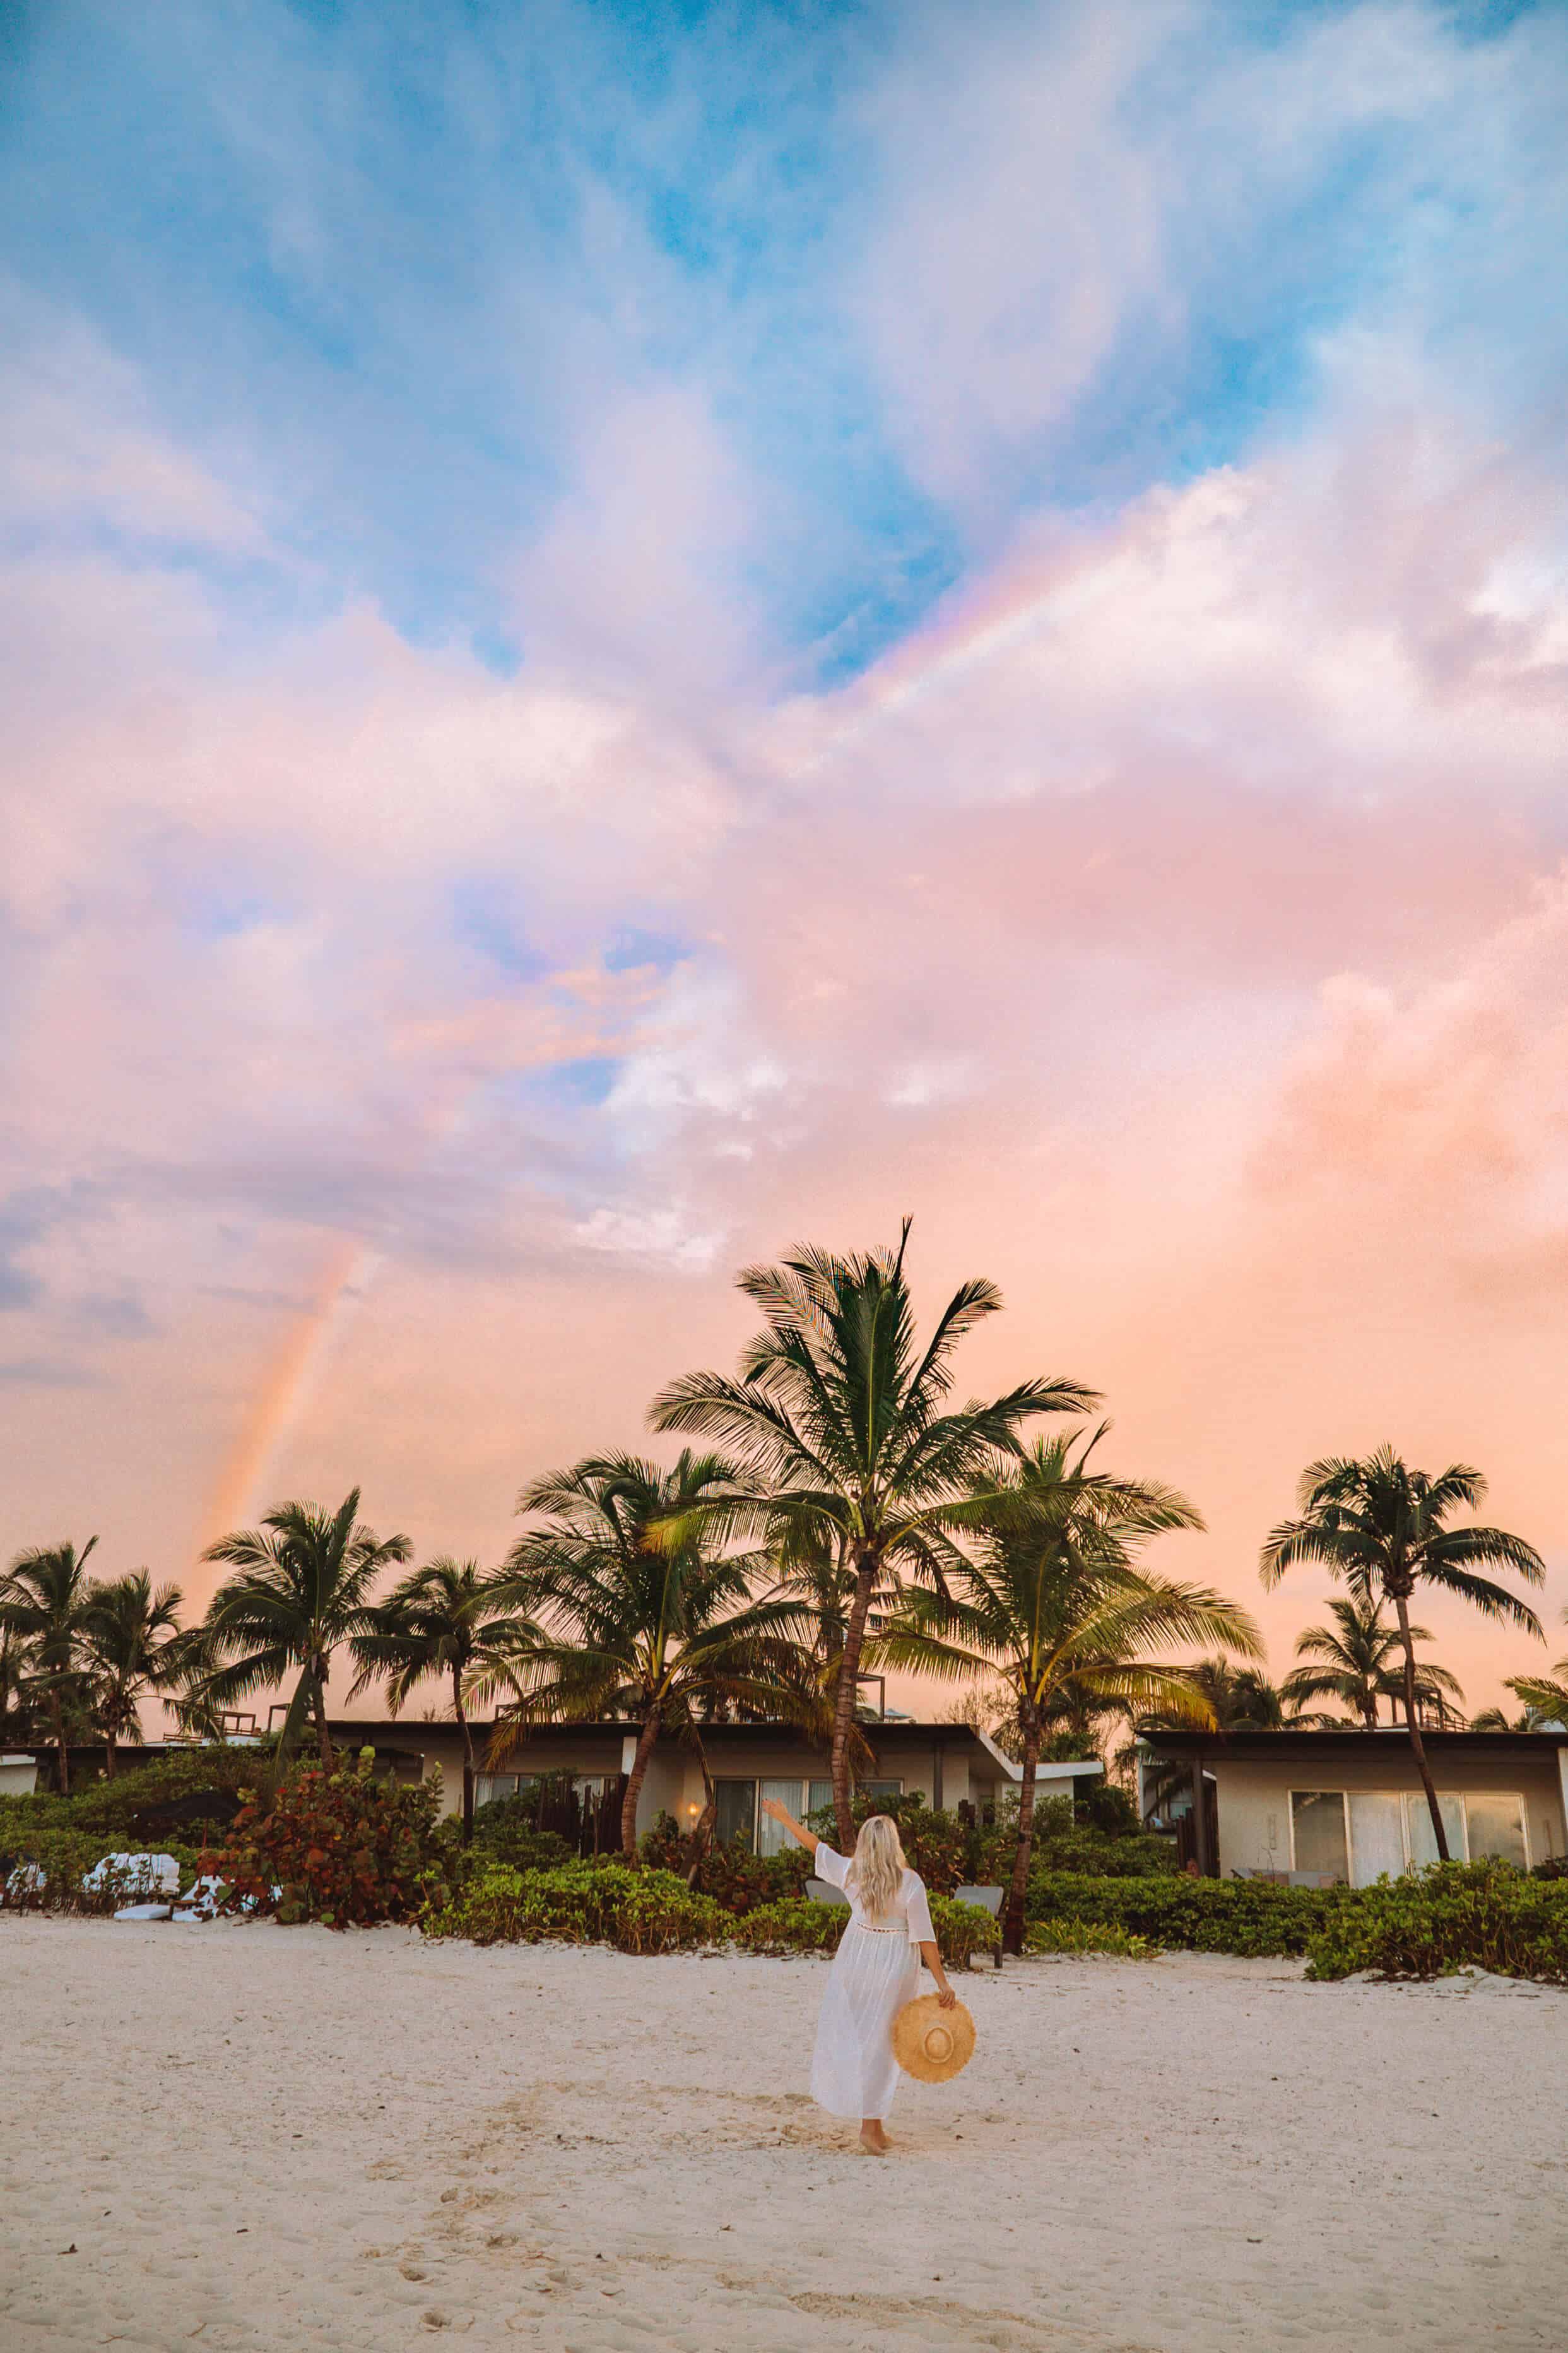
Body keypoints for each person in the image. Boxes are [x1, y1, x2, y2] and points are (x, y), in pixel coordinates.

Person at [759, 1794, 957, 2157]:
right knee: (884, 2043)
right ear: (893, 1844)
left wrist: (785, 1818)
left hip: (857, 1959)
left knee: (864, 2038)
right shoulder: (910, 1882)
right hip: (895, 1963)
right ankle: (870, 2128)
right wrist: (943, 1982)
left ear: (866, 1844)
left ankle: (875, 2126)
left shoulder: (852, 1872)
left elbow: (816, 1848)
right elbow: (925, 1936)